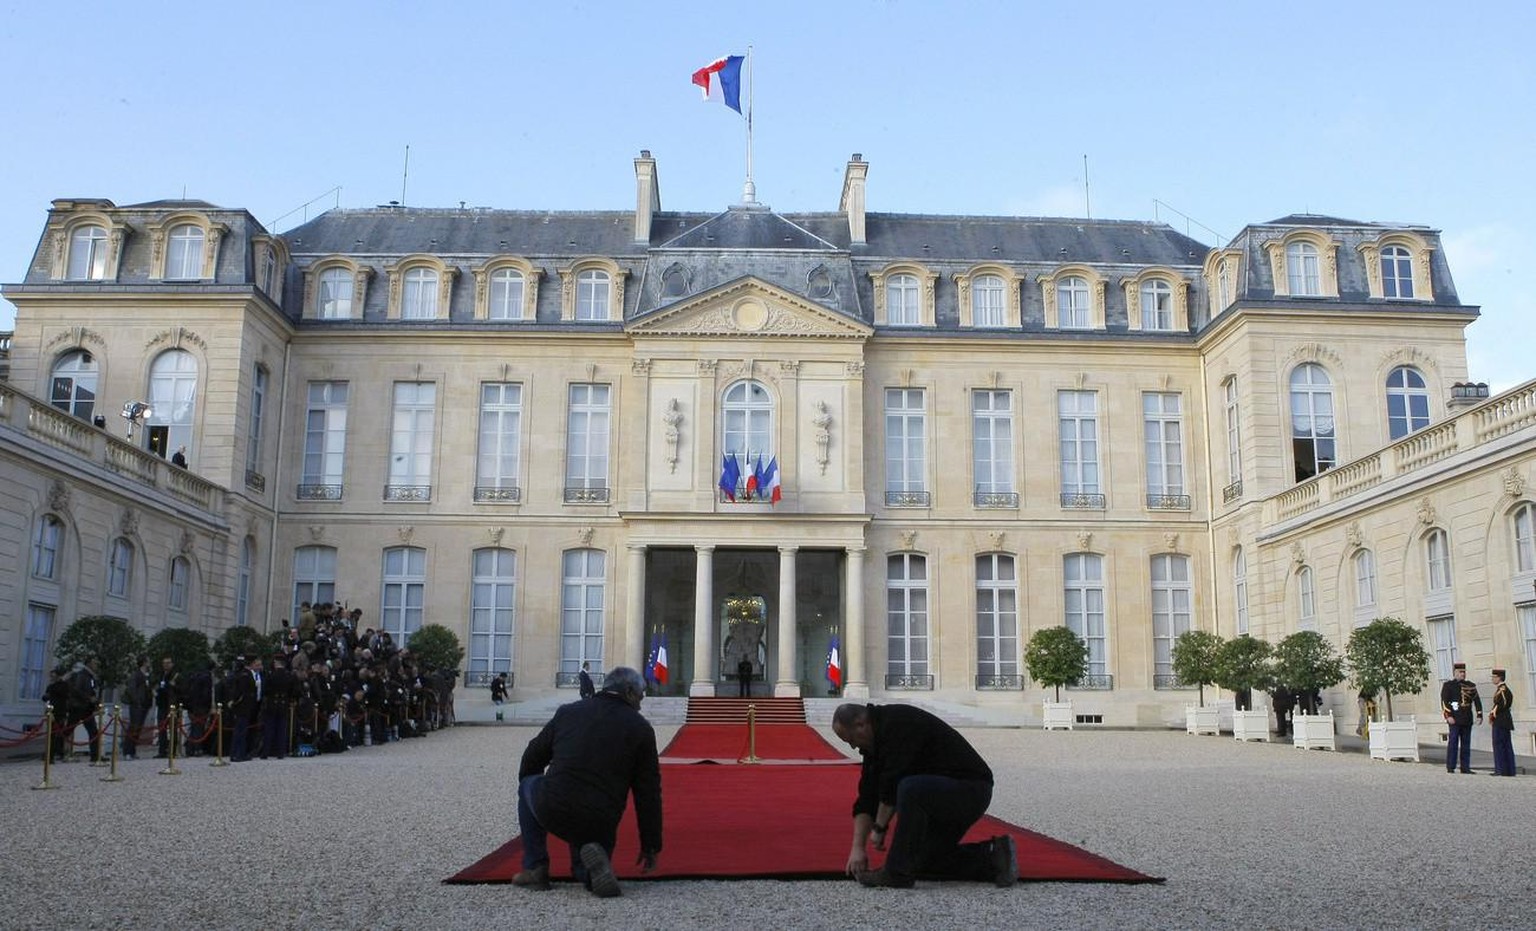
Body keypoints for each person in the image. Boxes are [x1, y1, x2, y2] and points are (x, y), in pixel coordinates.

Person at [831, 702, 1017, 889]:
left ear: (861, 725)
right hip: (938, 796)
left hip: (970, 790)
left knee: (909, 788)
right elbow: (867, 797)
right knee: (919, 860)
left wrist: (879, 828)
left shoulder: (898, 723)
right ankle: (995, 855)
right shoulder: (874, 744)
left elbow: (892, 784)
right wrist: (858, 849)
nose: (853, 746)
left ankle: (896, 874)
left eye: (851, 740)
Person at [513, 667, 662, 898]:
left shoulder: (569, 712)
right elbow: (648, 792)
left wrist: (534, 792)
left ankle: (536, 868)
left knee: (527, 786)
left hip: (556, 804)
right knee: (588, 853)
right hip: (601, 818)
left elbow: (532, 756)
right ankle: (590, 875)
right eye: (641, 697)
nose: (641, 705)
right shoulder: (641, 728)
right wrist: (650, 843)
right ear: (630, 691)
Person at [1440, 662, 1483, 774]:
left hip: (1466, 717)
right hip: (1454, 717)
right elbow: (1444, 701)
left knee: (1466, 743)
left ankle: (1465, 767)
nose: (1463, 674)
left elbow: (1477, 701)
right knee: (1453, 742)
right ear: (1455, 673)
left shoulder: (1470, 685)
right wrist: (1448, 716)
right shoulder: (1448, 685)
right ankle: (1451, 766)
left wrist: (1479, 715)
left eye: (1464, 672)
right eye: (1460, 672)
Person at [226, 655, 262, 763]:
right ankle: (237, 754)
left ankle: (240, 753)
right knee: (240, 731)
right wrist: (235, 702)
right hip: (242, 706)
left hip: (246, 706)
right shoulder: (245, 675)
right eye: (256, 664)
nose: (259, 667)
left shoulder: (247, 674)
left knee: (242, 731)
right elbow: (240, 692)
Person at [67, 656, 103, 762]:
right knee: (68, 729)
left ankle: (95, 756)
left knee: (93, 732)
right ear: (89, 664)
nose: (96, 665)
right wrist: (89, 698)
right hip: (78, 706)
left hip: (86, 707)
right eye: (94, 663)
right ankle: (56, 752)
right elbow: (77, 690)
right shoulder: (82, 675)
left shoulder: (91, 676)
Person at [123, 655, 152, 760]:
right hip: (137, 705)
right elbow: (132, 689)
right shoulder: (136, 675)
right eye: (148, 661)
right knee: (133, 728)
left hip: (145, 704)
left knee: (138, 728)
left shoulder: (147, 675)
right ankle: (127, 751)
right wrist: (137, 701)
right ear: (144, 662)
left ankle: (133, 750)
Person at [1488, 668, 1515, 777]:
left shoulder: (1502, 690)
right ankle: (1508, 769)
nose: (1493, 679)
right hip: (1503, 720)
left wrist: (1493, 713)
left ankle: (1501, 769)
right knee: (1506, 745)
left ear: (1499, 678)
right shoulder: (1502, 689)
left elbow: (1501, 705)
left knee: (1499, 744)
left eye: (1494, 677)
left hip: (1501, 720)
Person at [154, 656, 181, 758]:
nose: (166, 665)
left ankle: (172, 751)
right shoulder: (161, 675)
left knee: (173, 728)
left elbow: (182, 690)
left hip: (172, 705)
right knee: (162, 729)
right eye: (164, 663)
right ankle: (162, 750)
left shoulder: (176, 675)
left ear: (172, 664)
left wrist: (174, 686)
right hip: (161, 704)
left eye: (168, 663)